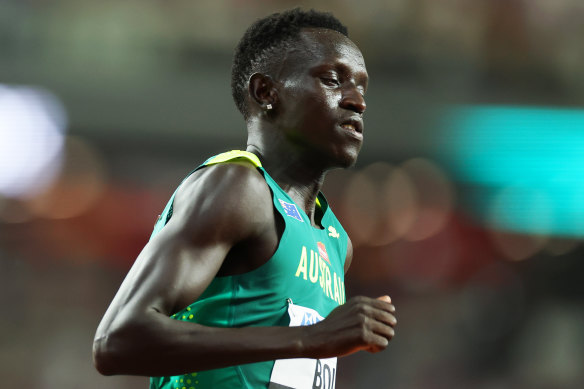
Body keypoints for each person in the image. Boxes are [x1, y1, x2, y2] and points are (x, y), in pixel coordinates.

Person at [93, 8, 396, 389]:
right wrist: (309, 339)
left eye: (362, 87)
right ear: (265, 92)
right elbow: (117, 340)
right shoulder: (237, 187)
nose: (357, 101)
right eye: (333, 80)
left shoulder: (337, 241)